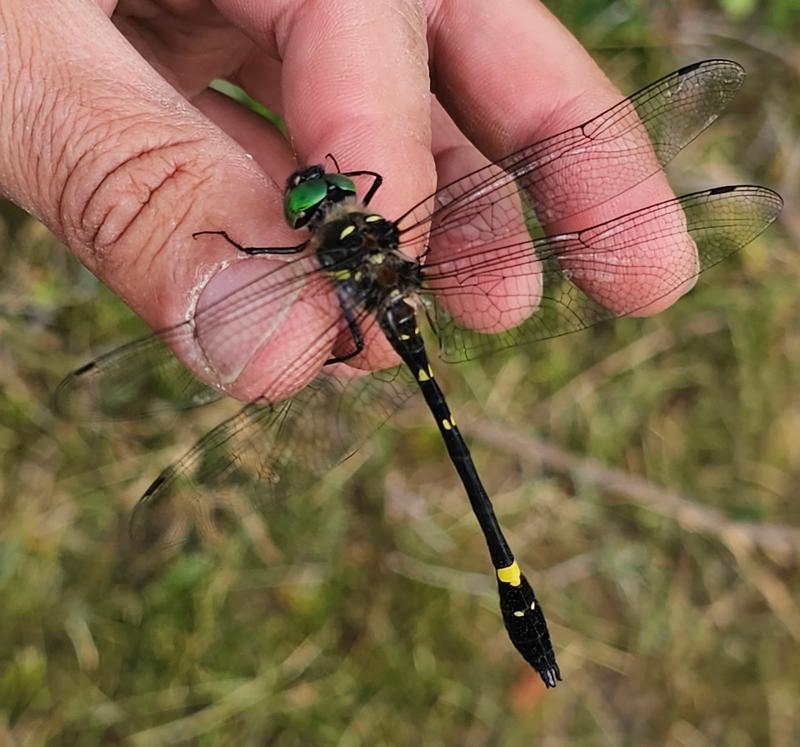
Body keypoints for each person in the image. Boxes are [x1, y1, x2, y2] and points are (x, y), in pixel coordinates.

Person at [0, 0, 684, 401]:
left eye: (318, 201)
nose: (319, 198)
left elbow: (272, 248)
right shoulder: (379, 223)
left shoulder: (322, 250)